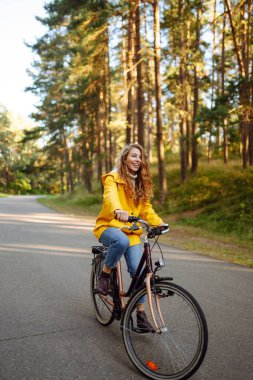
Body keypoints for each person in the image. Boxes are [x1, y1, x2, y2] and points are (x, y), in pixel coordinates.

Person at [93, 143, 167, 332]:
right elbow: (110, 197)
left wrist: (158, 223)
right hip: (109, 226)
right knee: (121, 241)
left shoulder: (141, 183)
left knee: (139, 272)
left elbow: (146, 209)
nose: (137, 160)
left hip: (132, 231)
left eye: (140, 157)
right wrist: (118, 210)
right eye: (134, 156)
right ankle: (105, 274)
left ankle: (141, 315)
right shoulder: (113, 178)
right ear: (125, 158)